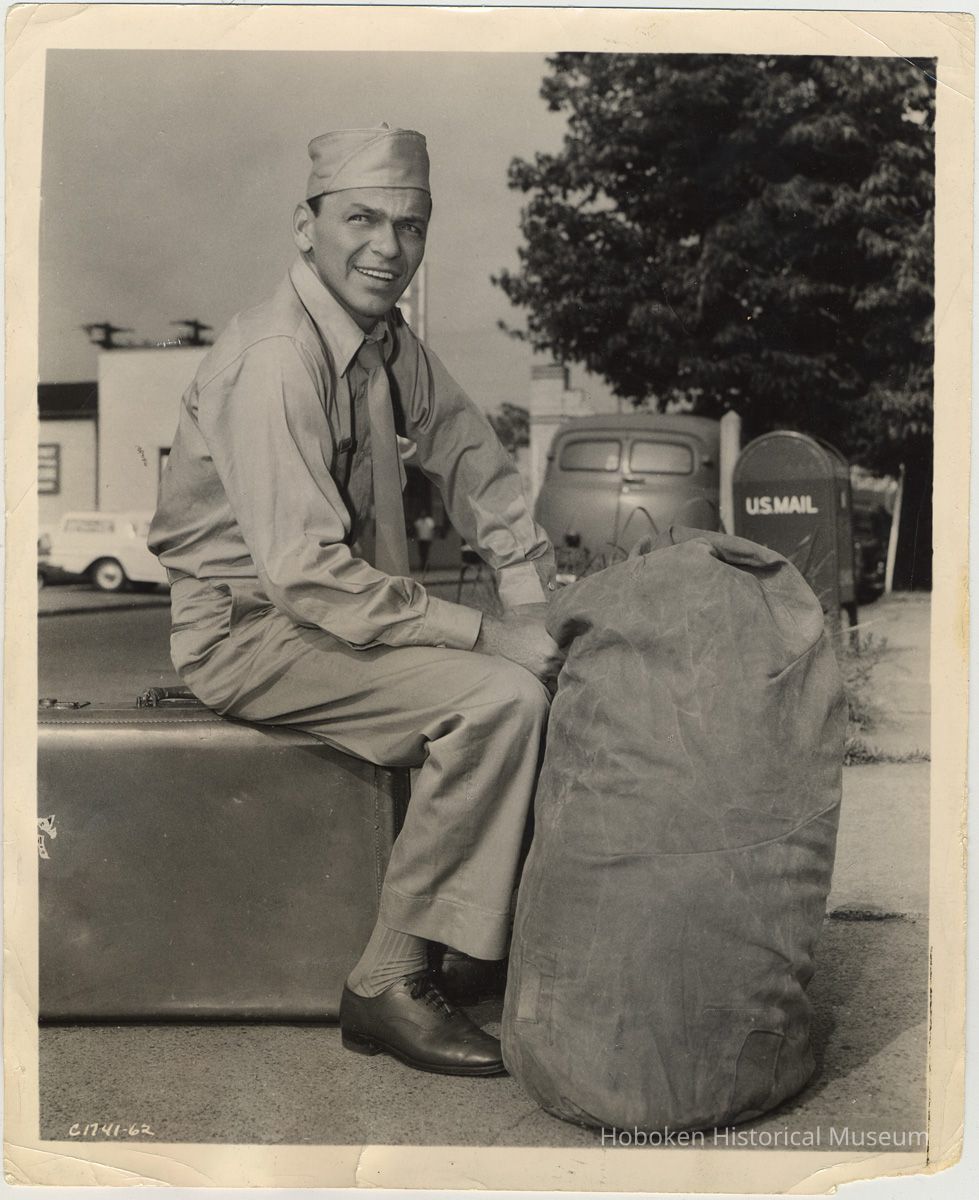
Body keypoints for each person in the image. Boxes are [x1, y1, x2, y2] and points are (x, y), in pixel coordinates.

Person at [149, 125, 563, 1077]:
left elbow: (474, 460)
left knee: (529, 670)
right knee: (496, 699)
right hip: (248, 631)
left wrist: (531, 601)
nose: (387, 247)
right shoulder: (276, 360)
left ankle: (459, 933)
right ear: (306, 226)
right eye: (362, 219)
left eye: (409, 226)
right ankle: (388, 978)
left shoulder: (380, 343)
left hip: (325, 617)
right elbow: (303, 574)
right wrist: (491, 636)